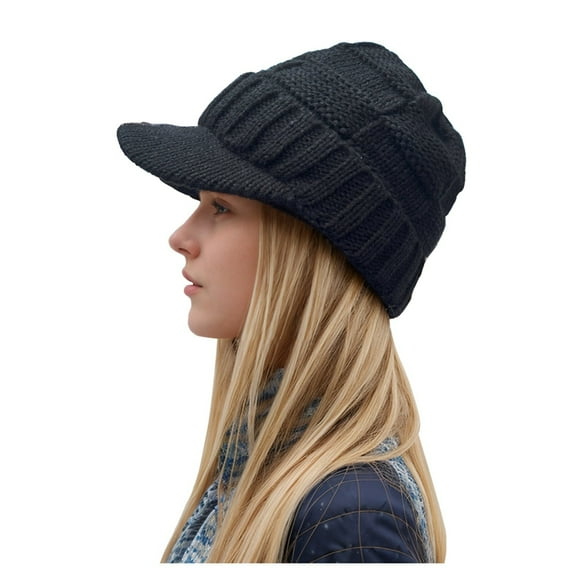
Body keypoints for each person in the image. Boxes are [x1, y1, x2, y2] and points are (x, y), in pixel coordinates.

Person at [117, 41, 465, 563]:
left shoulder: (351, 519)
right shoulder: (271, 476)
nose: (181, 237)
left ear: (311, 247)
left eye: (220, 206)